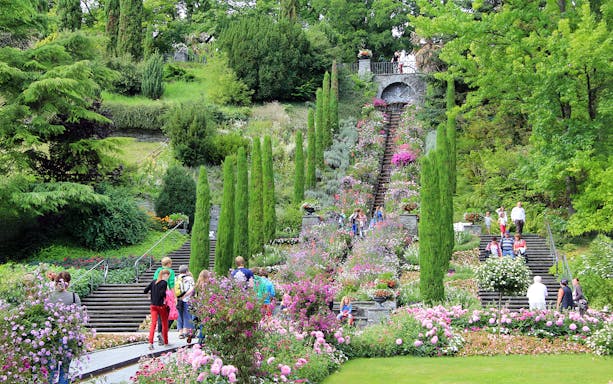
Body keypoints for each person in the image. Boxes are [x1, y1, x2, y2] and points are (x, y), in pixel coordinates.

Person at [48, 271, 81, 384]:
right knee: (65, 370)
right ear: (69, 283)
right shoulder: (73, 296)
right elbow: (79, 318)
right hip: (68, 337)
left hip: (51, 337)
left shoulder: (49, 297)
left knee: (51, 371)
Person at [144, 269, 170, 350]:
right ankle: (165, 342)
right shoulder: (164, 283)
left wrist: (152, 294)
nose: (168, 277)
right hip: (161, 306)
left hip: (153, 306)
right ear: (164, 275)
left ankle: (150, 343)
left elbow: (145, 291)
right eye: (168, 275)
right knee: (164, 323)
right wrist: (167, 293)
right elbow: (162, 294)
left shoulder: (153, 281)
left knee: (153, 324)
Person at [153, 257, 175, 344]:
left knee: (160, 315)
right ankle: (162, 333)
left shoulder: (158, 271)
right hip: (167, 295)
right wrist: (174, 297)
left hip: (158, 296)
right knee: (170, 315)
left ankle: (159, 334)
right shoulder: (170, 271)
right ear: (169, 264)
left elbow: (155, 282)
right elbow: (171, 284)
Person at [176, 265, 195, 341]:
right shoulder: (189, 278)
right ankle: (186, 331)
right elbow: (192, 289)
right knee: (187, 315)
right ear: (187, 271)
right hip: (187, 299)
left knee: (179, 315)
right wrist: (185, 296)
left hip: (178, 299)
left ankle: (180, 332)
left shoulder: (176, 278)